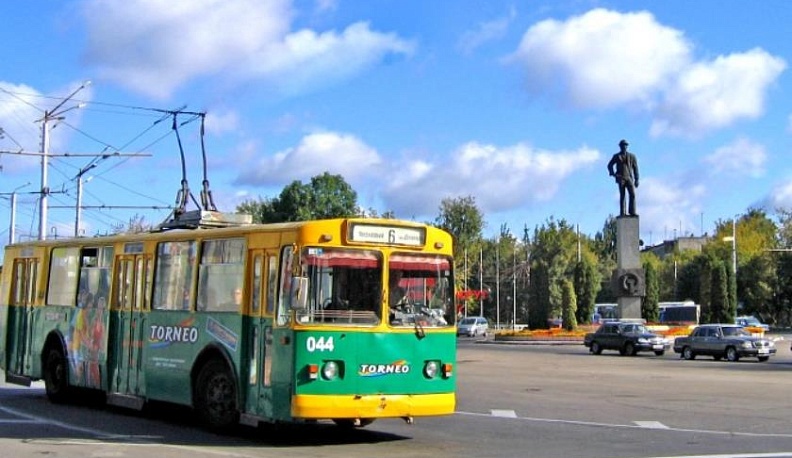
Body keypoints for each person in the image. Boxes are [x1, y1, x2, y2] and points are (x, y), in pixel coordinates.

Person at [607, 139, 639, 216]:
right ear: (620, 146)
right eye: (622, 145)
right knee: (622, 195)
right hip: (621, 178)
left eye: (625, 145)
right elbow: (610, 165)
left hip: (629, 178)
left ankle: (632, 211)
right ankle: (623, 212)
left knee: (632, 194)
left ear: (627, 146)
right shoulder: (616, 156)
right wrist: (613, 174)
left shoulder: (632, 156)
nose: (624, 146)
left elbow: (635, 168)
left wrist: (637, 179)